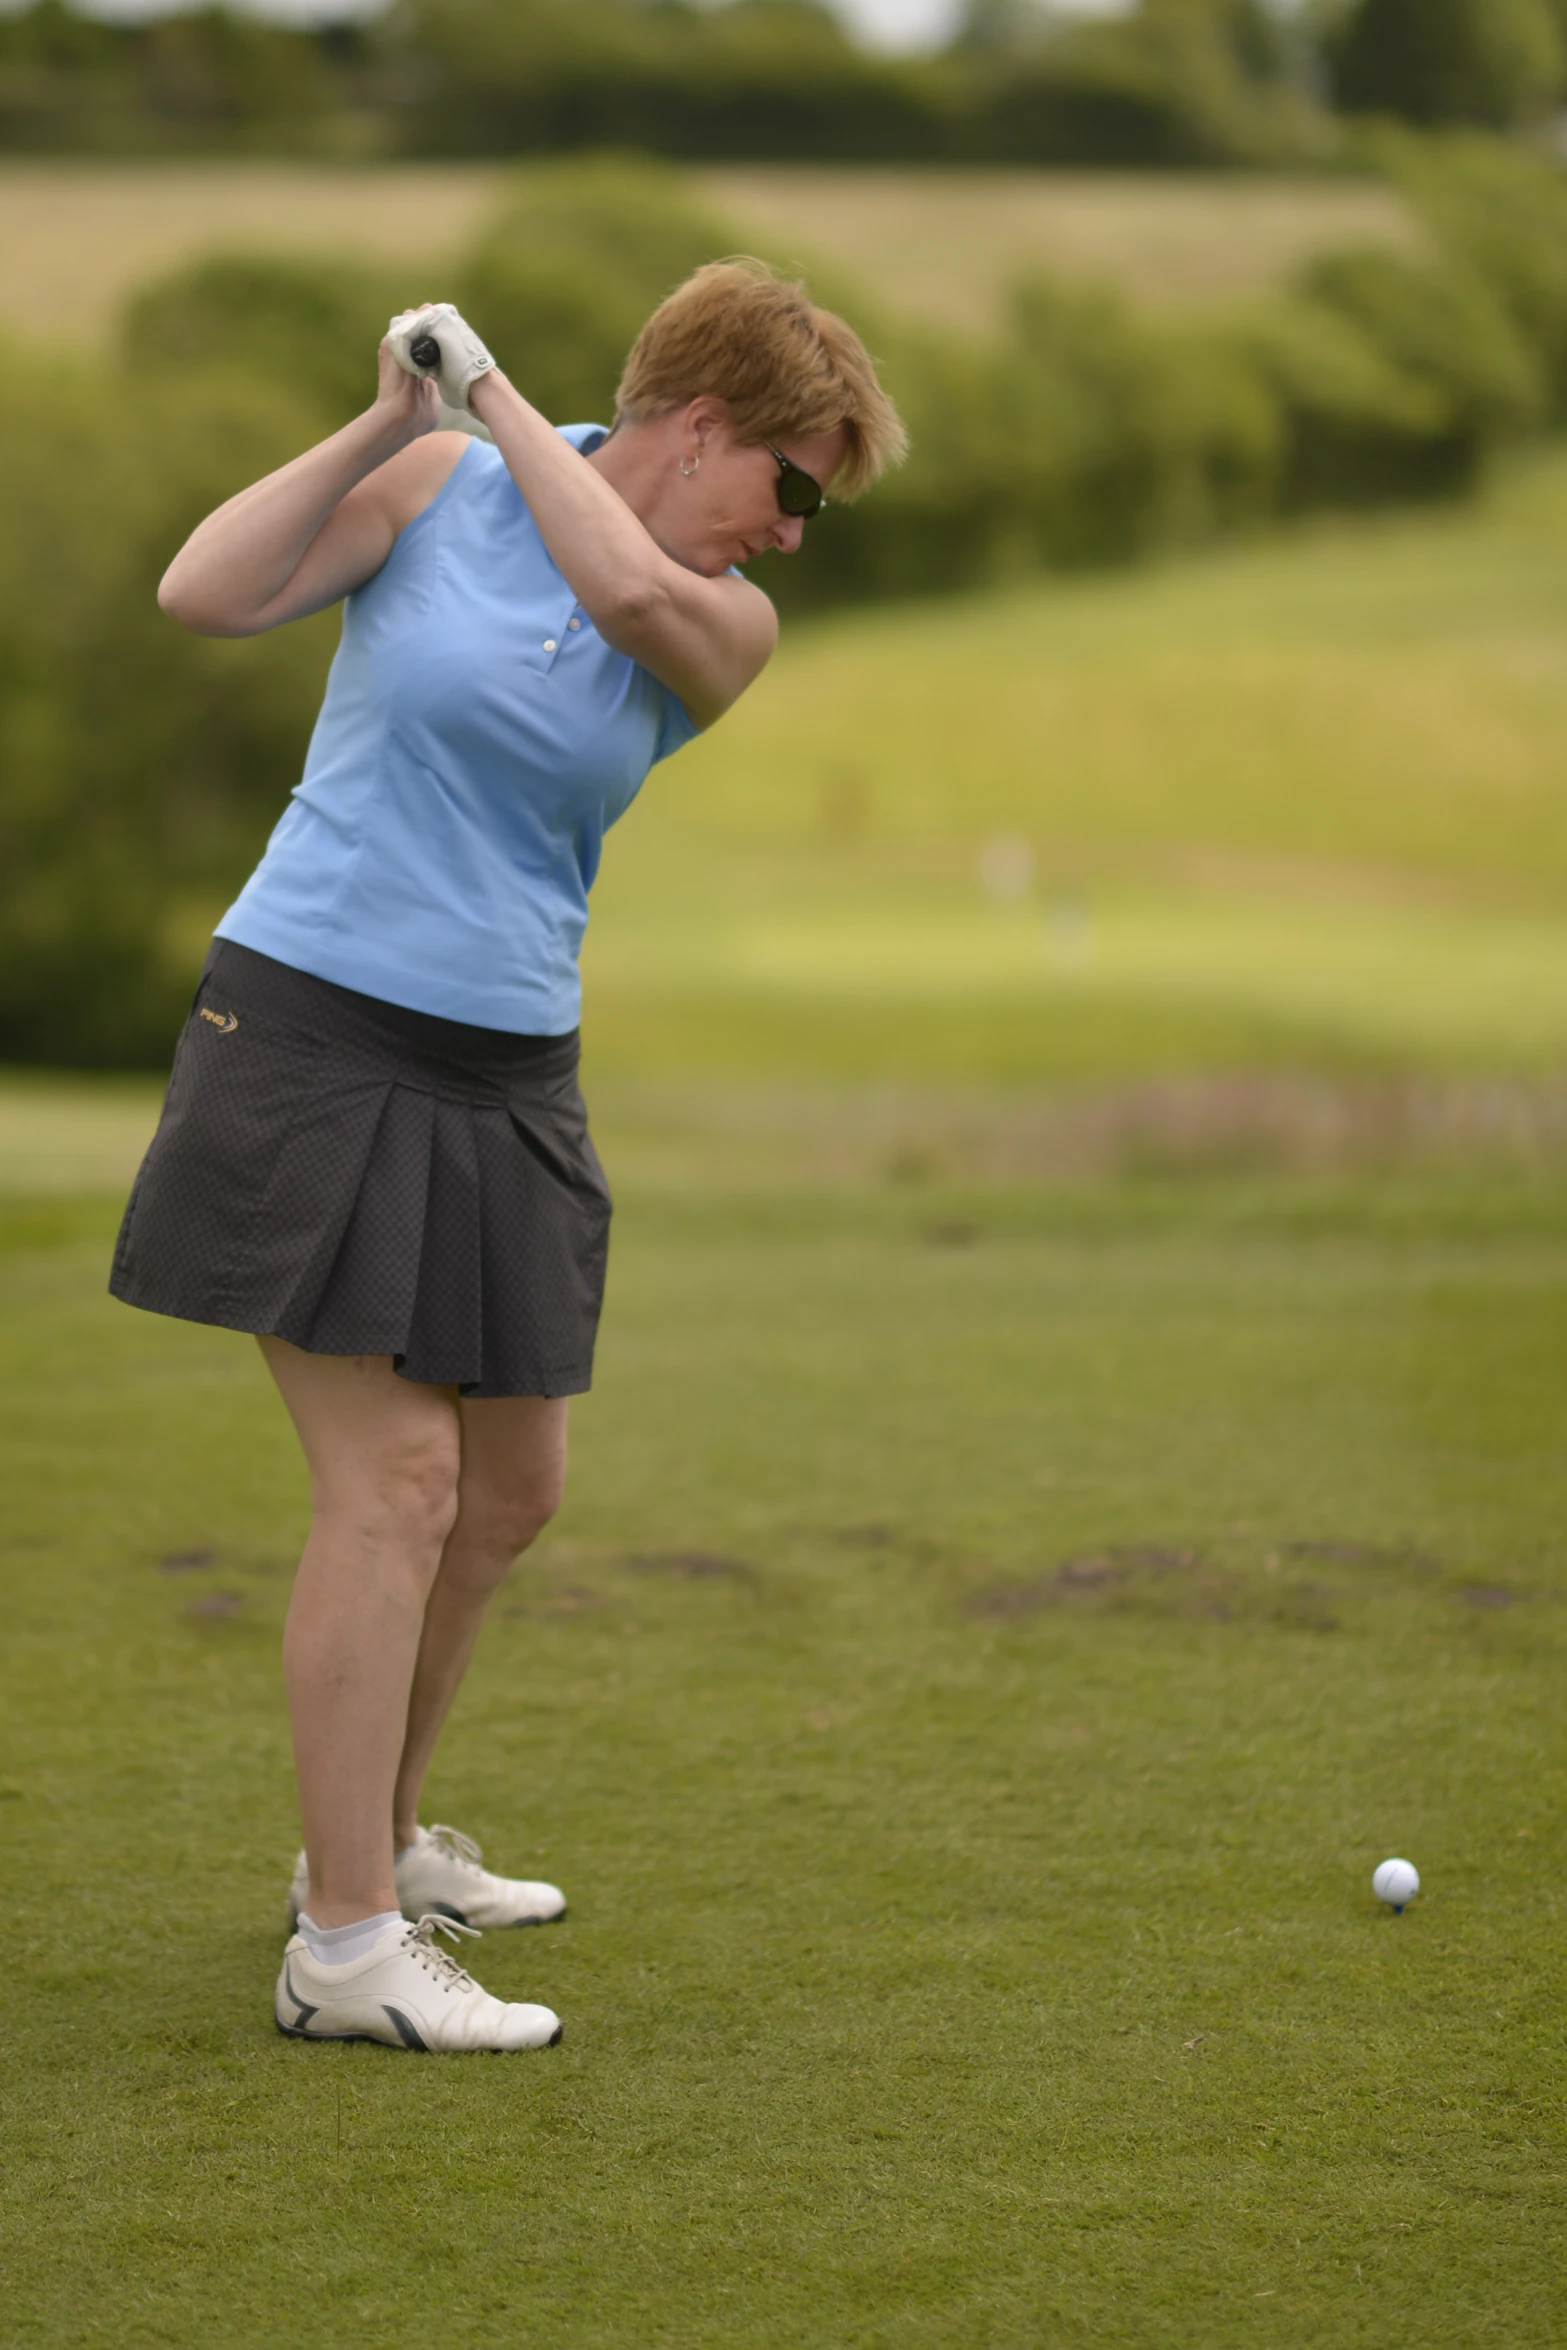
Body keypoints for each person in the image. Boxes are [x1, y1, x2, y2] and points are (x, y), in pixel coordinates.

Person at [110, 260, 907, 2053]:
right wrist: (394, 420)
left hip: (506, 1072)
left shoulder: (713, 621)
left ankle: (377, 1835)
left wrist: (488, 399)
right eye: (793, 485)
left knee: (511, 1490)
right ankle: (344, 1938)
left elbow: (620, 577)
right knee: (392, 1486)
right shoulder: (435, 488)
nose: (794, 535)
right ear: (700, 424)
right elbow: (203, 587)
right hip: (309, 1032)